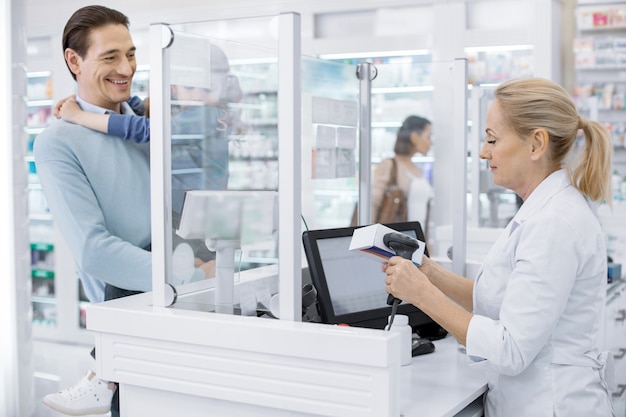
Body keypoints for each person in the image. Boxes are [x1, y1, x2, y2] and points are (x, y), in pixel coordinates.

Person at [383, 77, 615, 416]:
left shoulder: (554, 223)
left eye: (492, 139)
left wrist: (421, 294)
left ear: (536, 144)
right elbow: (497, 299)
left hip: (553, 405)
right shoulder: (541, 209)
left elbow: (511, 350)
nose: (482, 152)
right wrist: (429, 272)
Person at [33, 6, 152, 416]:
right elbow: (95, 251)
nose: (126, 68)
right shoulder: (58, 143)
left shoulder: (151, 122)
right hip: (132, 334)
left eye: (131, 54)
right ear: (74, 60)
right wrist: (182, 273)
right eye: (110, 57)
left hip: (191, 313)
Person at [371, 115, 433, 234]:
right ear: (414, 137)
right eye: (428, 137)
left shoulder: (418, 170)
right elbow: (373, 204)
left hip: (416, 240)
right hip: (395, 240)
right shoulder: (389, 165)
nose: (430, 142)